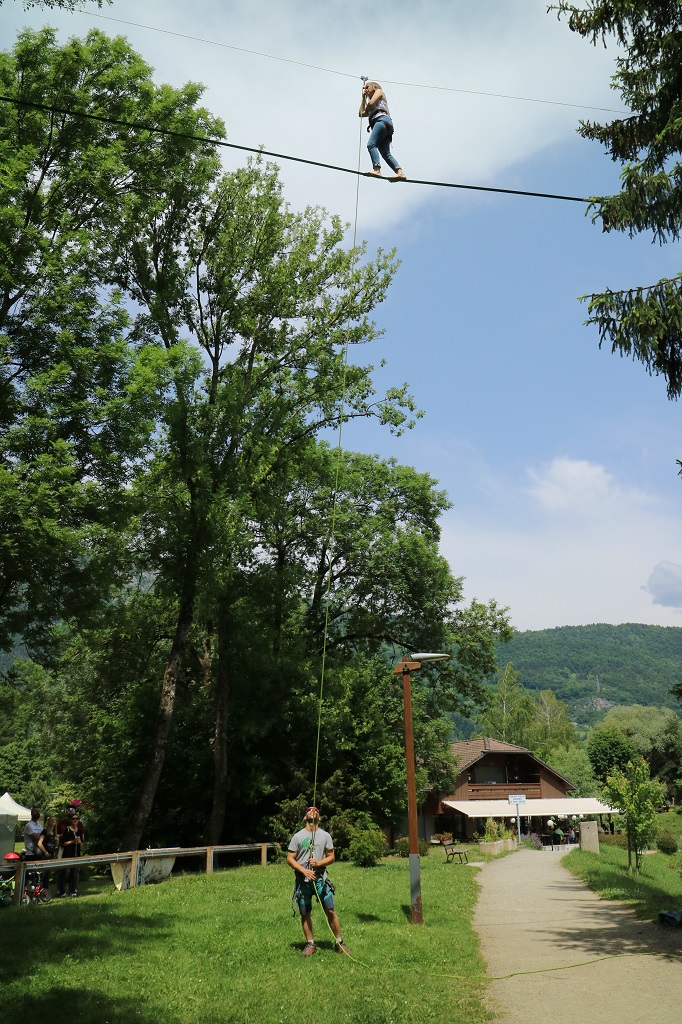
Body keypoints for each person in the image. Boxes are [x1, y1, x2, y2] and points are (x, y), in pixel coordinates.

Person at [287, 807, 350, 958]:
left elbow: (332, 857)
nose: (313, 810)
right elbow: (290, 858)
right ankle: (310, 944)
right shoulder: (298, 836)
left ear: (319, 818)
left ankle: (339, 942)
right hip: (303, 881)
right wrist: (304, 870)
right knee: (305, 912)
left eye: (316, 810)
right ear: (305, 817)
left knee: (330, 910)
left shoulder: (325, 836)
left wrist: (319, 863)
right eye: (310, 810)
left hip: (320, 879)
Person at [359, 81, 406, 180]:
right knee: (385, 153)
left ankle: (377, 170)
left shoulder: (379, 91)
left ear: (374, 87)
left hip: (382, 121)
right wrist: (363, 99)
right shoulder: (373, 105)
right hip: (385, 125)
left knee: (371, 145)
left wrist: (368, 105)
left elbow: (371, 104)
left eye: (367, 87)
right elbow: (361, 114)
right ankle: (400, 172)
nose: (366, 89)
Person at [57, 808, 84, 897]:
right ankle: (62, 891)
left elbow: (82, 844)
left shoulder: (79, 830)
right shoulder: (67, 830)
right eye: (73, 819)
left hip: (76, 854)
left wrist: (79, 842)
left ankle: (73, 890)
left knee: (74, 873)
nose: (75, 820)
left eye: (77, 819)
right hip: (67, 854)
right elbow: (63, 843)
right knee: (64, 873)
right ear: (71, 820)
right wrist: (72, 841)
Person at [37, 815, 59, 887]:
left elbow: (55, 846)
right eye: (51, 820)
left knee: (48, 875)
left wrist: (56, 843)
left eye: (54, 820)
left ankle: (46, 891)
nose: (53, 821)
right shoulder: (45, 831)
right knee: (44, 874)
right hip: (45, 856)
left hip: (51, 855)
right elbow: (39, 843)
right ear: (48, 822)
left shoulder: (54, 833)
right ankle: (41, 890)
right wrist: (45, 852)